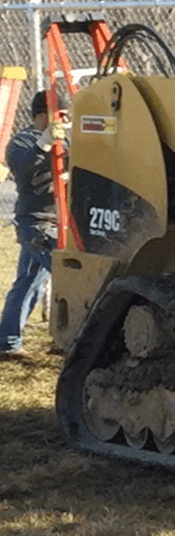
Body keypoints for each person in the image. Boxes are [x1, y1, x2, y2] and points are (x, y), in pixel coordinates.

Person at [0, 91, 63, 356]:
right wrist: (44, 145)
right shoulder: (22, 141)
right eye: (60, 114)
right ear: (42, 115)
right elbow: (23, 169)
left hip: (60, 221)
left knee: (28, 282)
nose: (65, 120)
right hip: (37, 223)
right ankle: (66, 338)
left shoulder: (67, 138)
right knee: (66, 277)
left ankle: (8, 340)